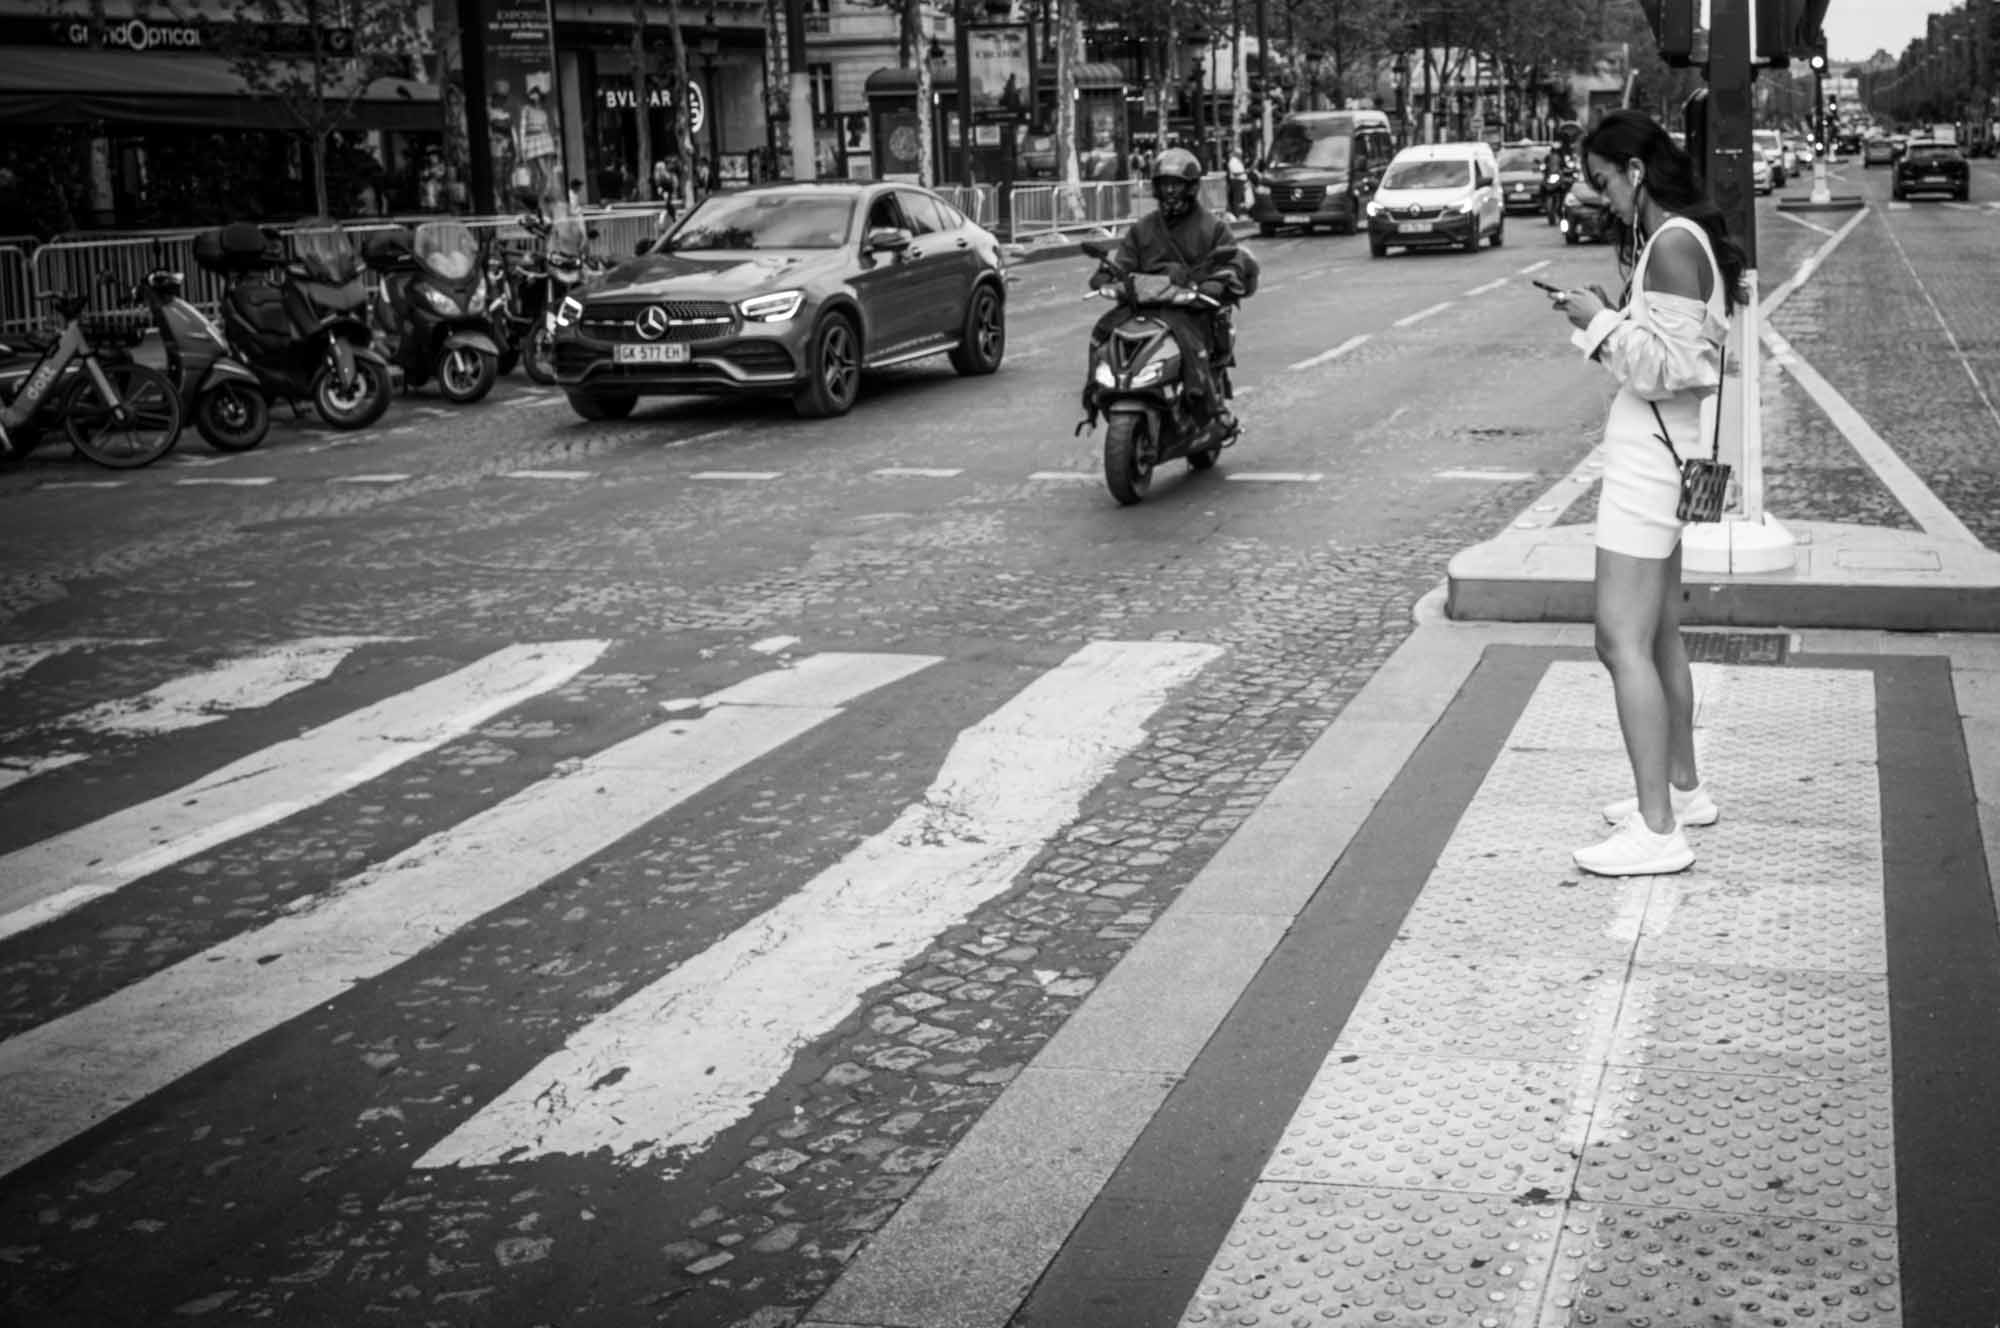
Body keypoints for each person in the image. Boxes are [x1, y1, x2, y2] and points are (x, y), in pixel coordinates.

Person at [1550, 108, 1747, 878]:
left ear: (1635, 171)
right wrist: (1611, 317)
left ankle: (1659, 832)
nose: (1600, 197)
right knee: (1659, 635)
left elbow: (1676, 369)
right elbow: (1681, 353)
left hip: (1648, 469)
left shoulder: (1670, 244)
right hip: (1669, 459)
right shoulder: (1680, 239)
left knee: (1618, 640)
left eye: (1602, 181)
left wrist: (1598, 323)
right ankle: (1683, 789)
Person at [1083, 146, 1255, 440]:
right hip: (1143, 307)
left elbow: (1232, 260)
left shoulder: (1212, 227)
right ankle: (1096, 396)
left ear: (1191, 188)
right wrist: (1106, 276)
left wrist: (1217, 282)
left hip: (1189, 308)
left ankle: (1212, 410)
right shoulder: (1142, 229)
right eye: (1165, 185)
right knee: (1102, 333)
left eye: (1176, 185)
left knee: (1192, 347)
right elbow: (1123, 263)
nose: (1171, 191)